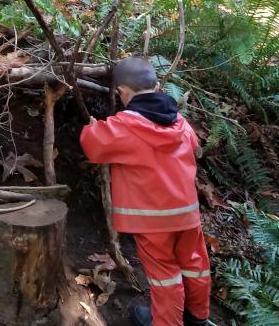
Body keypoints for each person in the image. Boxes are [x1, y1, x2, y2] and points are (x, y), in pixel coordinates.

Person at [80, 57, 210, 326]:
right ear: (157, 85)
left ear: (122, 92)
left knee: (165, 276)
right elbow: (194, 145)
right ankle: (198, 317)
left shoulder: (125, 126)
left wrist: (92, 125)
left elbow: (93, 145)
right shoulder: (180, 122)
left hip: (153, 220)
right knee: (194, 264)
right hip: (187, 215)